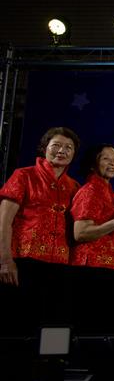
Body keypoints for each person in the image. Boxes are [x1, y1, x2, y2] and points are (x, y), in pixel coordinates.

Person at [0, 127, 80, 334]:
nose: (62, 151)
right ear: (44, 148)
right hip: (24, 262)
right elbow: (4, 221)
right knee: (21, 323)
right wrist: (5, 261)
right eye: (56, 145)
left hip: (61, 265)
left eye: (68, 147)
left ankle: (53, 356)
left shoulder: (74, 186)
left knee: (56, 324)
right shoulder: (24, 176)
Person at [69, 143, 114, 333]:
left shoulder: (107, 192)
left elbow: (110, 233)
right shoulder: (90, 191)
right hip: (92, 271)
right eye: (106, 158)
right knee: (90, 329)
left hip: (111, 269)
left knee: (105, 330)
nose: (113, 163)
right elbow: (80, 233)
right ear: (93, 164)